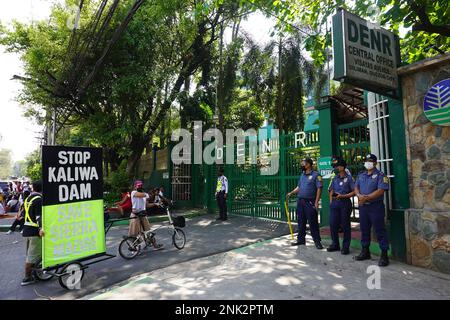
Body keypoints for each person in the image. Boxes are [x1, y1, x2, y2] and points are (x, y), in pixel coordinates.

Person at [354, 154, 390, 267]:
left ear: (375, 163)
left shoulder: (381, 175)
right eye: (366, 161)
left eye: (370, 161)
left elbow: (381, 190)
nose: (367, 163)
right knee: (364, 229)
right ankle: (365, 252)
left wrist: (367, 197)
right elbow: (356, 187)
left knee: (380, 230)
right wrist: (359, 195)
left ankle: (384, 255)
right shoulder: (361, 175)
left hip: (375, 207)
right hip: (363, 207)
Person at [287, 157, 324, 249]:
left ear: (309, 164)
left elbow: (319, 188)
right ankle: (301, 240)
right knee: (301, 222)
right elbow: (299, 187)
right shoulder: (302, 175)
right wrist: (291, 192)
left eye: (303, 163)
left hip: (310, 202)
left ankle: (317, 241)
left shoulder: (316, 175)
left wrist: (316, 202)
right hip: (300, 201)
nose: (302, 165)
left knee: (313, 222)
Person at [327, 159, 355, 255]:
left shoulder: (350, 178)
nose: (335, 168)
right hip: (335, 204)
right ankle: (335, 244)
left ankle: (345, 247)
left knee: (345, 225)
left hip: (345, 203)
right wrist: (331, 202)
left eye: (337, 166)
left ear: (342, 167)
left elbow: (355, 191)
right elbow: (331, 190)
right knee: (333, 224)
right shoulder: (335, 178)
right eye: (334, 166)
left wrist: (344, 196)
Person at [21, 181, 44, 286]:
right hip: (35, 232)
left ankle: (33, 273)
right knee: (32, 256)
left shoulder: (27, 199)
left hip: (26, 231)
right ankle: (27, 278)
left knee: (30, 255)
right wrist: (40, 228)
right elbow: (39, 216)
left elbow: (23, 214)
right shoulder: (39, 199)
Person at [128, 181, 163, 249]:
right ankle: (134, 247)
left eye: (141, 185)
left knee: (148, 231)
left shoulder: (143, 195)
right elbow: (144, 195)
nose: (140, 187)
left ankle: (155, 245)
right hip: (135, 216)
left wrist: (155, 204)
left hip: (143, 215)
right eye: (138, 186)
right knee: (134, 233)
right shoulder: (134, 193)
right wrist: (149, 194)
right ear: (135, 186)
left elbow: (147, 205)